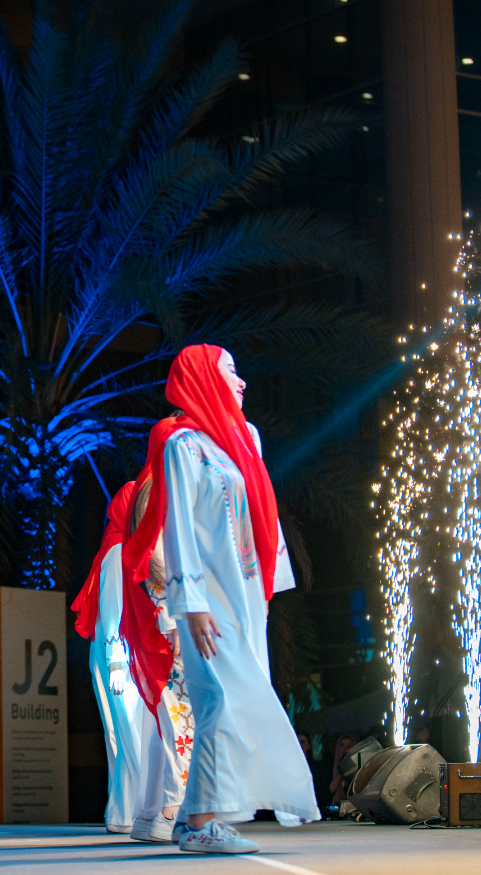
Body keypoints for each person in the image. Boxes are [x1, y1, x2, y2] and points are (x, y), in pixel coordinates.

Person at [122, 344, 319, 855]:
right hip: (205, 598)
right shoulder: (181, 445)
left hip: (244, 593)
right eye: (231, 371)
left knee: (242, 697)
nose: (242, 382)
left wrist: (267, 589)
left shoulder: (243, 438)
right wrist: (190, 602)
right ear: (204, 377)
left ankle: (195, 818)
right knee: (217, 701)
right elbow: (178, 528)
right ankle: (202, 824)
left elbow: (262, 512)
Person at [119, 475, 193, 844]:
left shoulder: (150, 489)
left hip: (162, 624)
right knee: (181, 721)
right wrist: (175, 620)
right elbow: (159, 563)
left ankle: (149, 814)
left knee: (163, 725)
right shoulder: (158, 487)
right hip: (170, 627)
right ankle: (171, 811)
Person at [70, 482, 145, 834]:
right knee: (128, 732)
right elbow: (113, 609)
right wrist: (117, 660)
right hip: (119, 656)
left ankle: (123, 812)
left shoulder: (116, 549)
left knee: (121, 733)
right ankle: (138, 809)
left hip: (116, 654)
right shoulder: (117, 551)